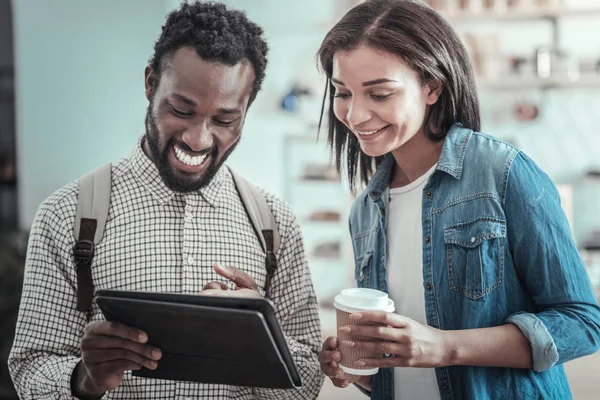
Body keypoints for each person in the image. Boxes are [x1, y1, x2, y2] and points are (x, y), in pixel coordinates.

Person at [8, 2, 324, 399]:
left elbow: (308, 383)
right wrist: (84, 380)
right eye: (180, 109)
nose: (198, 139)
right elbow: (29, 367)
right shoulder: (66, 214)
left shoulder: (275, 223)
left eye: (225, 120)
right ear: (150, 83)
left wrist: (261, 336)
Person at [315, 0, 600, 399]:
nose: (356, 114)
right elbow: (408, 367)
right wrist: (358, 367)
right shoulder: (366, 209)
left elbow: (583, 324)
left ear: (432, 87)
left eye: (379, 94)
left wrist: (444, 347)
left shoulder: (503, 174)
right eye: (342, 93)